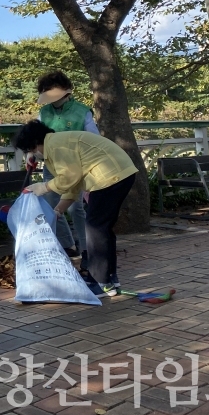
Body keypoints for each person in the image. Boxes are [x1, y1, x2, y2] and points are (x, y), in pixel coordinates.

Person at [13, 120, 138, 298]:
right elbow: (72, 185)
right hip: (118, 173)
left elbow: (69, 178)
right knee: (102, 228)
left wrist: (44, 187)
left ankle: (100, 282)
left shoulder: (56, 146)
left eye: (30, 151)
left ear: (34, 143)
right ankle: (109, 278)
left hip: (109, 176)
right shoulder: (56, 146)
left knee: (95, 228)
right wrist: (58, 210)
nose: (32, 155)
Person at [35, 72, 99, 266]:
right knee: (52, 206)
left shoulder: (82, 111)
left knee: (74, 207)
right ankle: (67, 245)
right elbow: (37, 136)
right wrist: (33, 154)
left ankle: (87, 248)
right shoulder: (45, 112)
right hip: (51, 165)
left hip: (76, 166)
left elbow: (93, 139)